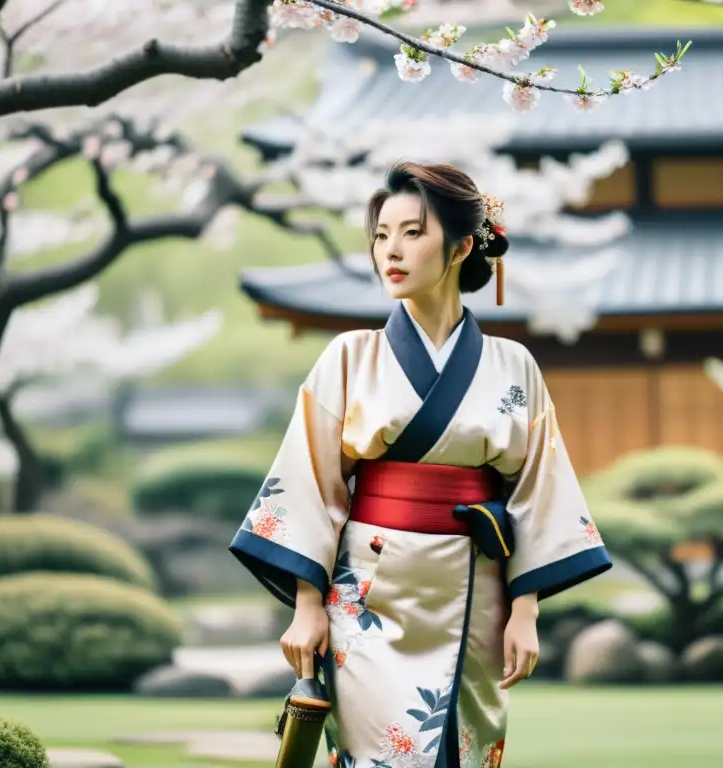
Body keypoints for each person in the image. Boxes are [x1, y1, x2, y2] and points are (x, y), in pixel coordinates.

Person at [230, 160, 612, 768]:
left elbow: (541, 492)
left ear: (461, 246)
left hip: (475, 595)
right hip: (368, 597)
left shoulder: (514, 366)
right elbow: (309, 485)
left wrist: (525, 610)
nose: (391, 251)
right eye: (382, 235)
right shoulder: (349, 356)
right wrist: (307, 607)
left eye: (412, 232)